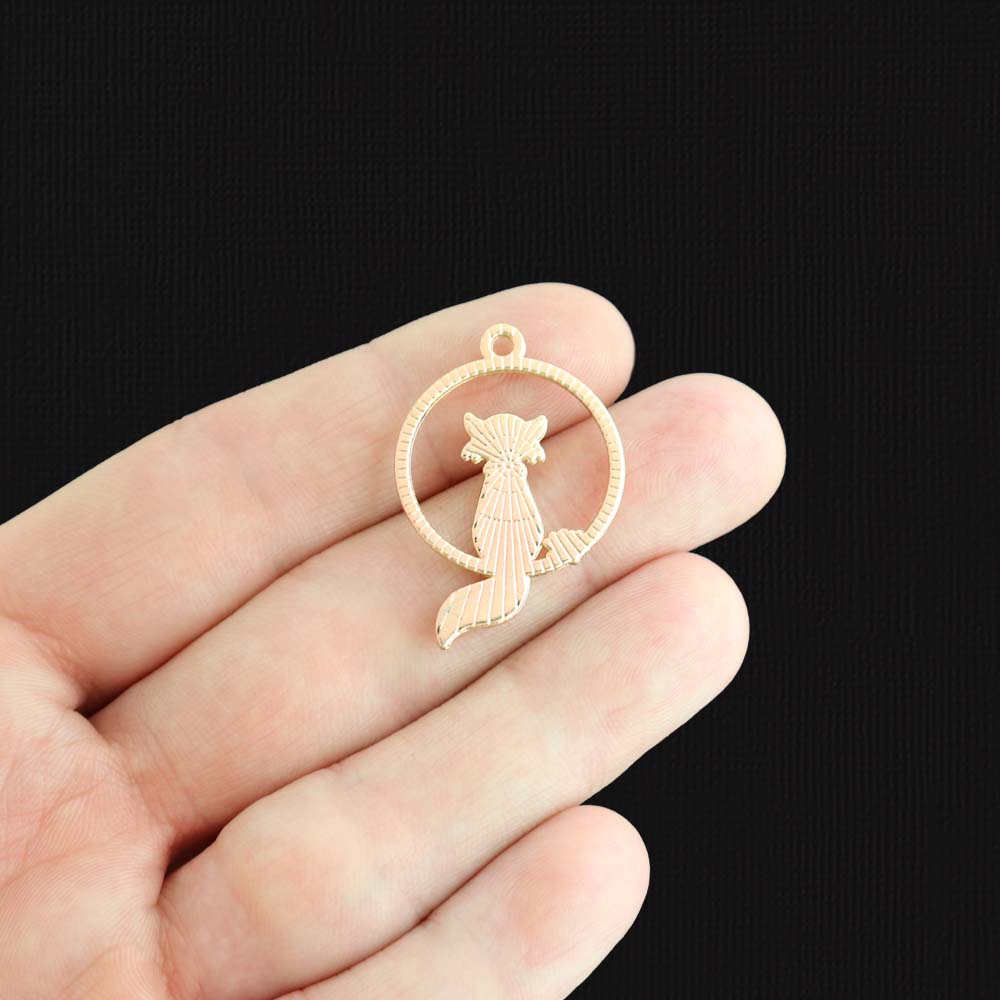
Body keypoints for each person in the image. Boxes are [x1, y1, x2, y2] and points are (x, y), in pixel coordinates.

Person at [0, 284, 784, 999]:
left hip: (512, 532)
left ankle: (481, 599)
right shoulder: (495, 471)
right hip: (499, 530)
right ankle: (477, 602)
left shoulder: (513, 472)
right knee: (501, 583)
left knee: (512, 581)